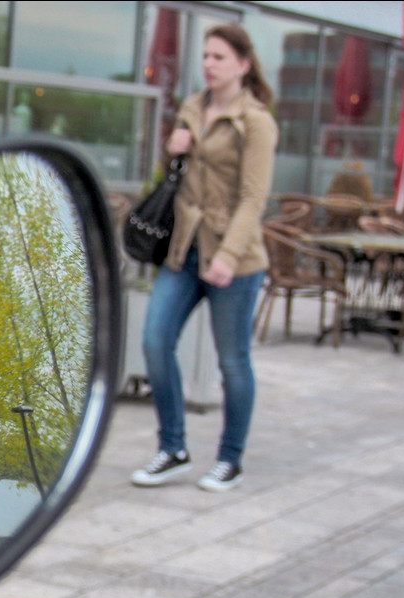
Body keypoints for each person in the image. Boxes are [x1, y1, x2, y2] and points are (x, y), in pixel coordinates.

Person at [131, 23, 278, 493]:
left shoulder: (256, 122)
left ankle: (229, 459)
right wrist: (171, 148)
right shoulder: (192, 108)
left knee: (232, 361)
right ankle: (172, 448)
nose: (209, 64)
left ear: (243, 64)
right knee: (155, 341)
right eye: (206, 56)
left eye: (219, 57)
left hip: (233, 259)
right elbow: (174, 178)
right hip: (183, 249)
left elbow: (253, 199)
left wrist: (229, 256)